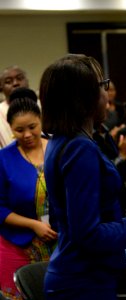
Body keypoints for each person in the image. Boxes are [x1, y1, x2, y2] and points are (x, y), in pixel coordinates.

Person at [39, 54, 126, 299]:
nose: (107, 95)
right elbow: (87, 234)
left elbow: (62, 221)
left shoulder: (63, 141)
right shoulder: (80, 149)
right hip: (84, 282)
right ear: (84, 96)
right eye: (103, 85)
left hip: (81, 275)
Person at [0, 88, 57, 299]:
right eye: (19, 130)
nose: (26, 135)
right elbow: (0, 208)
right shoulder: (4, 159)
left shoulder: (57, 149)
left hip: (61, 240)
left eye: (32, 127)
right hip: (18, 245)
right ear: (10, 129)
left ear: (41, 120)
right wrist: (34, 225)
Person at [0, 66, 29, 148]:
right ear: (1, 87)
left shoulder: (41, 105)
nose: (15, 83)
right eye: (8, 81)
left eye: (20, 78)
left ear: (27, 81)